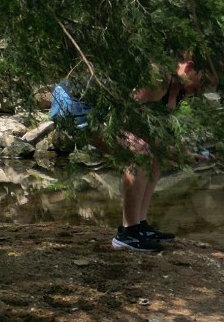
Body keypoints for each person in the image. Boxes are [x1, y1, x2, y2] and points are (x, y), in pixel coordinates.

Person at [51, 54, 206, 252]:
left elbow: (156, 134)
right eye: (202, 82)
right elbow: (122, 118)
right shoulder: (158, 79)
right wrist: (163, 149)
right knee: (139, 153)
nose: (201, 90)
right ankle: (128, 234)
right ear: (189, 67)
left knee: (154, 156)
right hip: (74, 103)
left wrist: (180, 152)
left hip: (101, 109)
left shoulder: (175, 89)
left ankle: (140, 226)